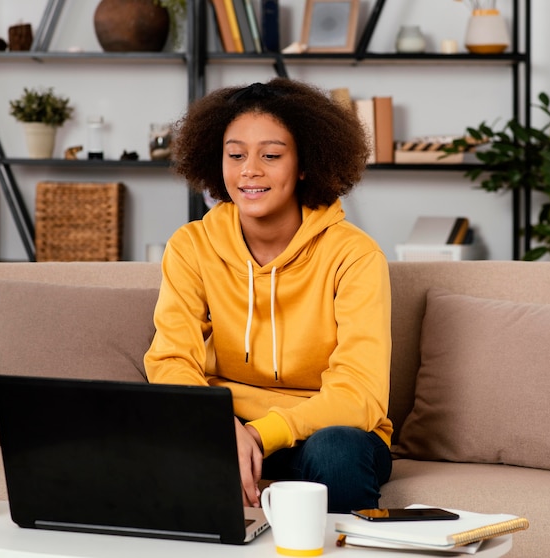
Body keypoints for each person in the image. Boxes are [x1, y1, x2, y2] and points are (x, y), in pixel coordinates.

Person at [144, 77, 392, 513]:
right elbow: (171, 362)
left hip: (326, 430)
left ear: (303, 165)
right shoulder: (191, 247)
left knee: (338, 452)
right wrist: (219, 425)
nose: (249, 170)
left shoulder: (354, 255)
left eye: (271, 156)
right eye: (235, 154)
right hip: (227, 424)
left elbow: (360, 392)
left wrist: (262, 432)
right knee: (147, 439)